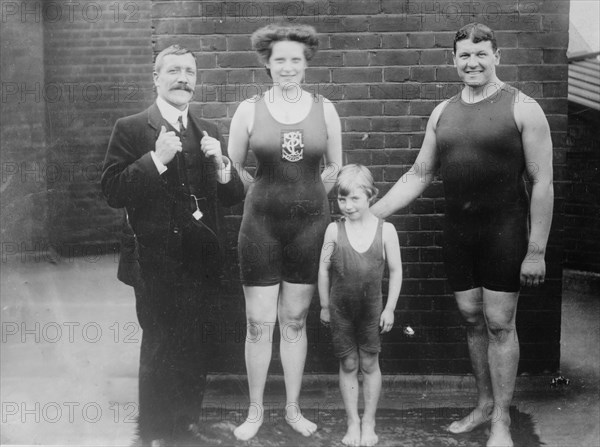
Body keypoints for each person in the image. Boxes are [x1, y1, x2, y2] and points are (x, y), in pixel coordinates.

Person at [370, 23, 554, 447]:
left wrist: (535, 251)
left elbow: (542, 183)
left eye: (481, 54)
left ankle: (503, 421)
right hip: (458, 233)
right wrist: (372, 215)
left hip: (504, 233)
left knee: (499, 325)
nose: (473, 62)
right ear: (454, 60)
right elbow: (419, 174)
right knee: (472, 320)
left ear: (497, 56)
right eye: (465, 56)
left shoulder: (523, 108)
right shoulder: (443, 112)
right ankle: (485, 404)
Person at [101, 45, 244, 446]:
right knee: (161, 342)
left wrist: (223, 170)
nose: (184, 78)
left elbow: (232, 196)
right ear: (156, 78)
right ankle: (153, 433)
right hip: (154, 261)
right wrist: (155, 160)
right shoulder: (131, 128)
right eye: (174, 71)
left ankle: (185, 426)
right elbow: (111, 190)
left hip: (200, 260)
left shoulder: (210, 131)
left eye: (190, 72)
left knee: (195, 342)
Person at [227, 22, 343, 441]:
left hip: (309, 228)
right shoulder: (249, 109)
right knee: (259, 323)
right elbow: (234, 168)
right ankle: (255, 411)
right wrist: (263, 195)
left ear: (306, 63)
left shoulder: (324, 108)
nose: (288, 67)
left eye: (296, 60)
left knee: (294, 320)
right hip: (260, 227)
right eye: (280, 60)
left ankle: (293, 409)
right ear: (267, 64)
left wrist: (309, 198)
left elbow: (333, 167)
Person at [318, 164, 402, 447]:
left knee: (369, 362)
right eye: (342, 199)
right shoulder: (333, 230)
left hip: (371, 310)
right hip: (341, 309)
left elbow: (396, 271)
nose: (348, 205)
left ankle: (369, 421)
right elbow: (323, 269)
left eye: (355, 198)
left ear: (371, 196)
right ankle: (353, 420)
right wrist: (324, 306)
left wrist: (389, 307)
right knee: (348, 362)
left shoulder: (386, 231)